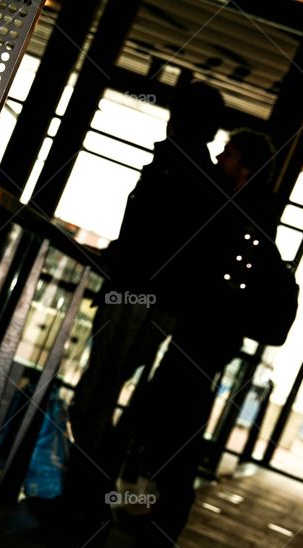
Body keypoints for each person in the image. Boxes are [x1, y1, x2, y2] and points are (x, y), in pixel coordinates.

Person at [62, 81, 226, 524]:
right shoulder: (203, 178)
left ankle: (85, 496)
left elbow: (148, 240)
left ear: (178, 116)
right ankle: (89, 494)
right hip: (155, 303)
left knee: (95, 394)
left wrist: (115, 261)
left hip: (136, 299)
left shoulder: (174, 168)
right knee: (105, 393)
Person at [129, 129, 279, 548]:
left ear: (245, 167)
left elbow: (219, 271)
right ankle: (163, 513)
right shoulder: (249, 207)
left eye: (229, 154)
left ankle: (167, 517)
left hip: (207, 332)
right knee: (177, 416)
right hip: (207, 331)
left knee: (180, 419)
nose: (220, 156)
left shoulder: (248, 211)